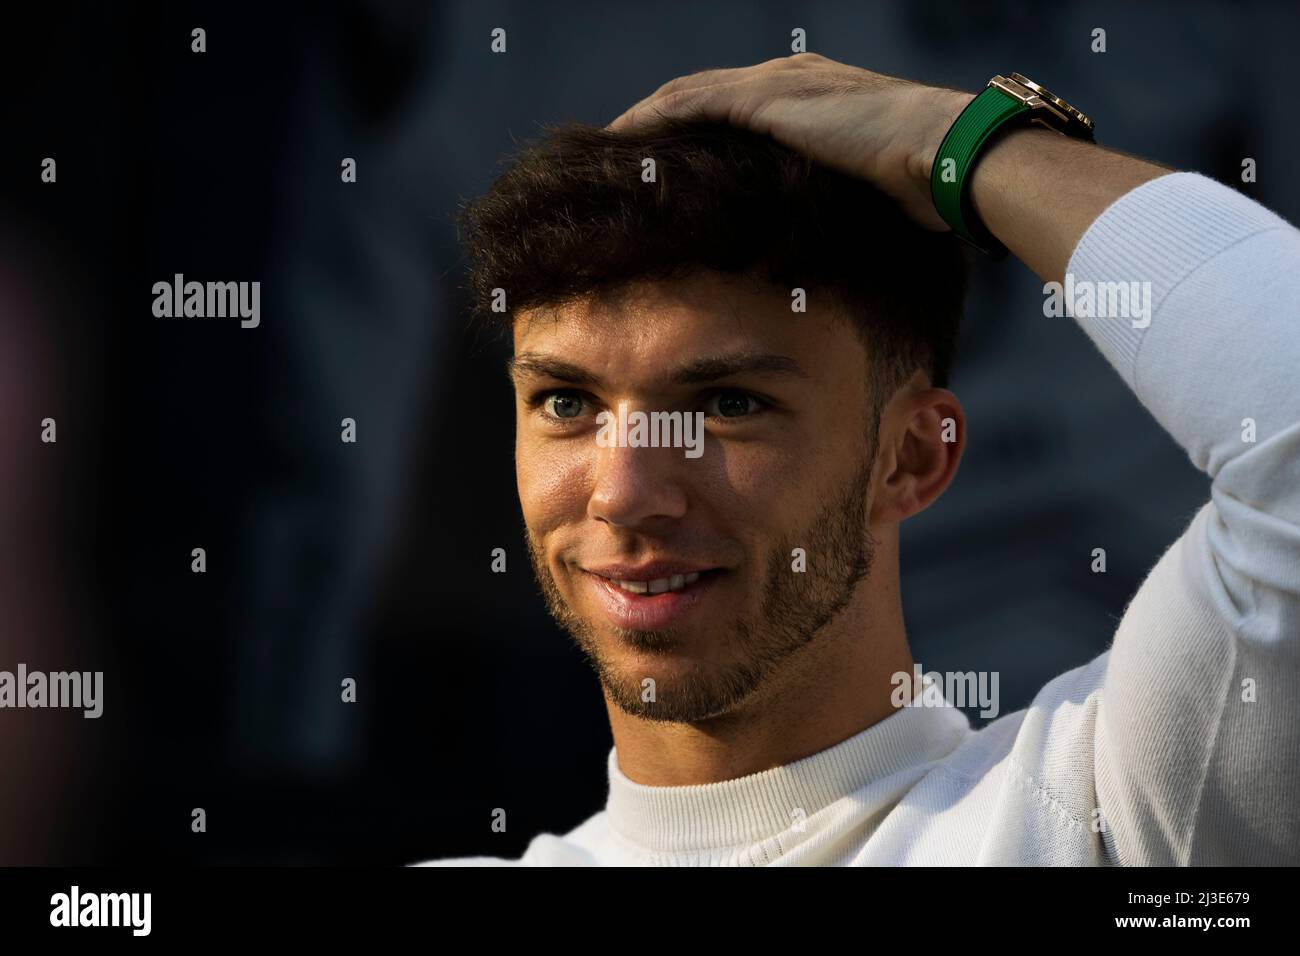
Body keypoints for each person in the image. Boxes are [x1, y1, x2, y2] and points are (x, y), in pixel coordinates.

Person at [420, 54, 1300, 865]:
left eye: (728, 406)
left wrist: (955, 140)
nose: (623, 495)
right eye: (567, 404)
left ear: (913, 456)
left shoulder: (1094, 815)